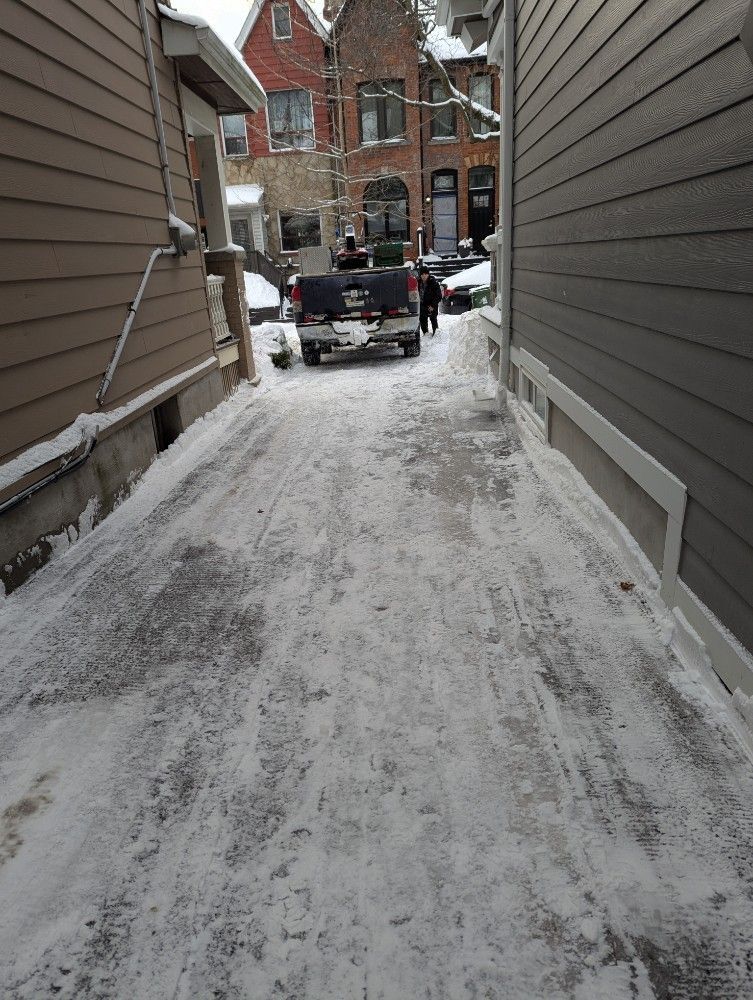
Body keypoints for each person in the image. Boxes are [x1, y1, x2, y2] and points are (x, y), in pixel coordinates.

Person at [418, 265, 442, 336]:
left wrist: (432, 305)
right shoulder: (418, 282)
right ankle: (425, 334)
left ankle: (436, 335)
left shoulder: (434, 283)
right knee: (422, 320)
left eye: (425, 274)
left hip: (432, 304)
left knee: (433, 319)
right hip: (422, 305)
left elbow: (438, 296)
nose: (424, 276)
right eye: (422, 274)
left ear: (428, 274)